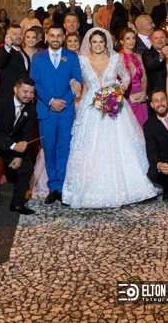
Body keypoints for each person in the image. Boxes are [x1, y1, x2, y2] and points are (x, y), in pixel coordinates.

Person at [62, 28, 157, 208]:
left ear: (106, 44)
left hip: (114, 103)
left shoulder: (115, 59)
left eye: (101, 41)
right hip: (91, 107)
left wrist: (119, 90)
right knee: (91, 145)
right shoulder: (82, 60)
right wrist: (73, 81)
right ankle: (90, 188)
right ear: (89, 44)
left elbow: (126, 77)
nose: (98, 45)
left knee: (119, 143)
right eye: (94, 42)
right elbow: (70, 76)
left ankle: (131, 187)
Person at [31, 24, 83, 205]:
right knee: (49, 149)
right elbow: (35, 83)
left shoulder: (71, 56)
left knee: (64, 149)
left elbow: (77, 81)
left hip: (66, 111)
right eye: (52, 35)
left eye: (58, 36)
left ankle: (62, 187)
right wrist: (51, 101)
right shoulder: (37, 58)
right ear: (46, 37)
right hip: (46, 111)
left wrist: (64, 102)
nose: (55, 39)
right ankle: (53, 186)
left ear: (63, 37)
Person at [0, 76, 38, 224]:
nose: (28, 95)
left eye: (31, 92)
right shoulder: (1, 103)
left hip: (11, 143)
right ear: (15, 89)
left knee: (26, 169)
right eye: (25, 91)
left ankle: (17, 203)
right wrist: (13, 146)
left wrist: (19, 155)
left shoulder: (30, 108)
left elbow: (27, 135)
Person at [119, 28, 149, 126]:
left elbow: (144, 78)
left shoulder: (139, 57)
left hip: (139, 95)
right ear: (122, 41)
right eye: (128, 38)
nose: (132, 41)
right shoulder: (117, 57)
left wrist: (144, 93)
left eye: (133, 38)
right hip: (125, 95)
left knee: (142, 125)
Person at [0, 24, 31, 98]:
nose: (19, 36)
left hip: (23, 96)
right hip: (8, 96)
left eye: (21, 34)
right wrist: (7, 47)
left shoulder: (24, 54)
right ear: (7, 36)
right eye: (15, 34)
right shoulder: (2, 50)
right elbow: (0, 62)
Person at [142, 28, 168, 98]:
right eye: (156, 38)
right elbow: (149, 65)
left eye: (162, 37)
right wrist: (161, 55)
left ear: (167, 40)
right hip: (157, 95)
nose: (159, 39)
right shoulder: (147, 54)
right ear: (151, 41)